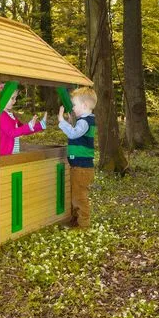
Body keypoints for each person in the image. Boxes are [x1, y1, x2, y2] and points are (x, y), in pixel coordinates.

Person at [57, 87, 97, 229]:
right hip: (79, 166)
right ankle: (75, 220)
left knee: (79, 197)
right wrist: (70, 122)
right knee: (75, 195)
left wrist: (62, 121)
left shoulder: (85, 121)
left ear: (84, 105)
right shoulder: (85, 120)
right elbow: (76, 131)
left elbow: (73, 134)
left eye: (74, 105)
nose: (72, 108)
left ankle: (83, 225)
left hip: (82, 167)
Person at [0, 87, 47, 156]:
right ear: (3, 98)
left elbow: (23, 129)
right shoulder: (1, 115)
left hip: (13, 154)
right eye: (12, 98)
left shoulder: (11, 115)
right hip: (4, 156)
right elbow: (11, 133)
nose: (15, 101)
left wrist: (40, 125)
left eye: (15, 98)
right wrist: (29, 126)